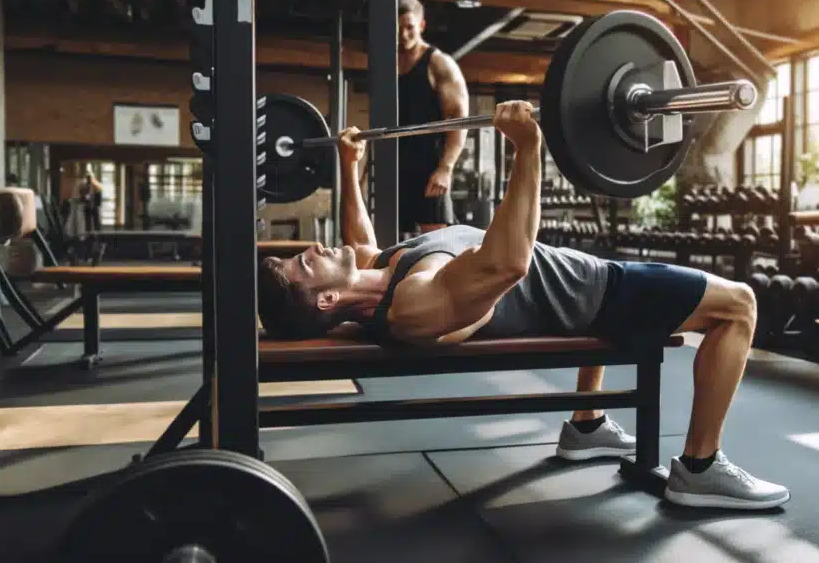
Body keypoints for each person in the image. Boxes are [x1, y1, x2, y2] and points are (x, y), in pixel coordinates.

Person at [257, 101, 790, 511]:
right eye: (304, 264)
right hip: (601, 295)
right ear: (328, 299)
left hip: (581, 280)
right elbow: (507, 265)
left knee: (625, 279)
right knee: (739, 305)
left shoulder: (382, 277)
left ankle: (586, 425)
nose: (313, 249)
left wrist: (350, 166)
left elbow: (362, 240)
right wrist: (528, 149)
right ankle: (700, 466)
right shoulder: (412, 303)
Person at [390, 0, 469, 235]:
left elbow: (458, 118)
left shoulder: (439, 63)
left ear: (421, 26)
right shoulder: (388, 64)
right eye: (397, 28)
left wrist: (446, 167)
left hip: (430, 163)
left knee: (434, 236)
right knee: (392, 236)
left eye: (409, 27)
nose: (403, 35)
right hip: (395, 162)